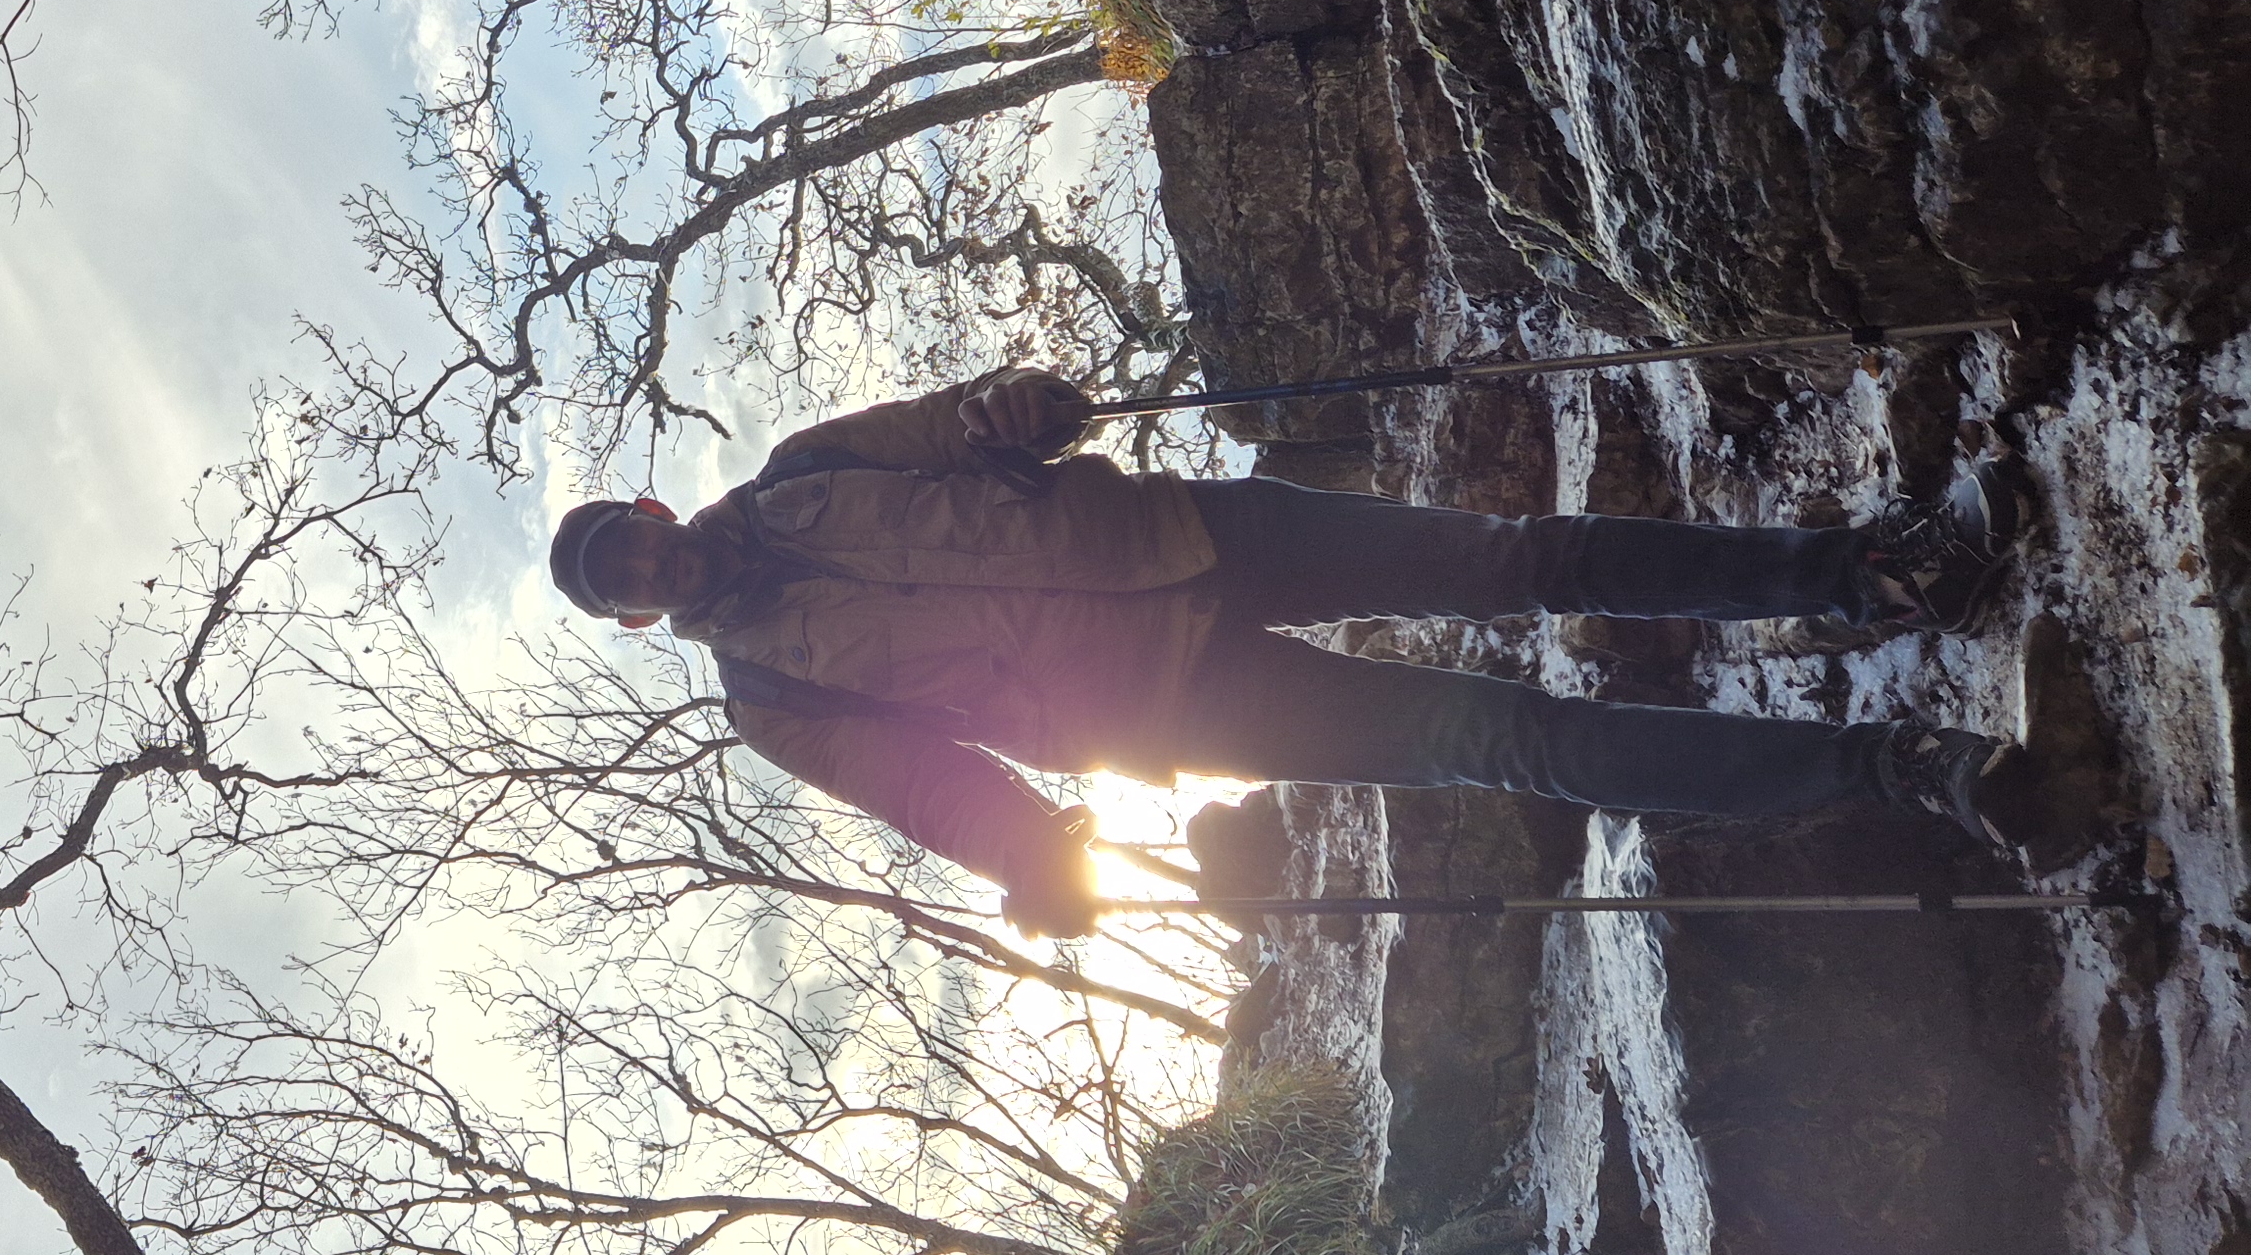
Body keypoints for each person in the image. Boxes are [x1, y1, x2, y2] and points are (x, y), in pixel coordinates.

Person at [545, 366, 2038, 938]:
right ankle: (1893, 768)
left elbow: (960, 422)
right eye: (628, 577)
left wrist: (1024, 408)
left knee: (1528, 559)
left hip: (1192, 533)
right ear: (635, 613)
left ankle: (1872, 572)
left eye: (632, 529)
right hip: (1174, 702)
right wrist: (1034, 859)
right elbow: (928, 790)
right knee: (1510, 740)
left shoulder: (805, 462)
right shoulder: (770, 700)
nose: (650, 559)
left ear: (653, 503)